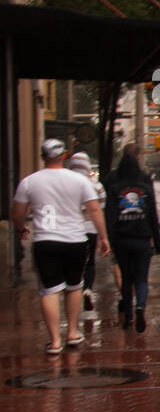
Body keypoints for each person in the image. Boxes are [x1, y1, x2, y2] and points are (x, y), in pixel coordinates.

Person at [10, 139, 110, 354]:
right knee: (75, 286)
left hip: (45, 241)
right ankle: (72, 332)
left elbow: (17, 213)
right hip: (75, 241)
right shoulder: (80, 181)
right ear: (64, 156)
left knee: (49, 290)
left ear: (42, 156)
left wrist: (21, 229)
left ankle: (55, 341)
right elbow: (94, 210)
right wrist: (103, 237)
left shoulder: (29, 182)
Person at [104, 147, 160, 333]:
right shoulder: (145, 187)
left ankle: (128, 317)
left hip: (122, 240)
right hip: (143, 239)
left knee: (127, 278)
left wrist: (110, 242)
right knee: (142, 278)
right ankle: (141, 307)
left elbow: (110, 217)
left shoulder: (114, 189)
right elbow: (153, 215)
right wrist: (158, 242)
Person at [66, 152, 107, 313]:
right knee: (89, 263)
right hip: (90, 230)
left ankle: (73, 290)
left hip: (71, 230)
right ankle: (87, 289)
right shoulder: (96, 185)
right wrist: (102, 236)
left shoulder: (65, 183)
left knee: (73, 264)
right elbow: (101, 208)